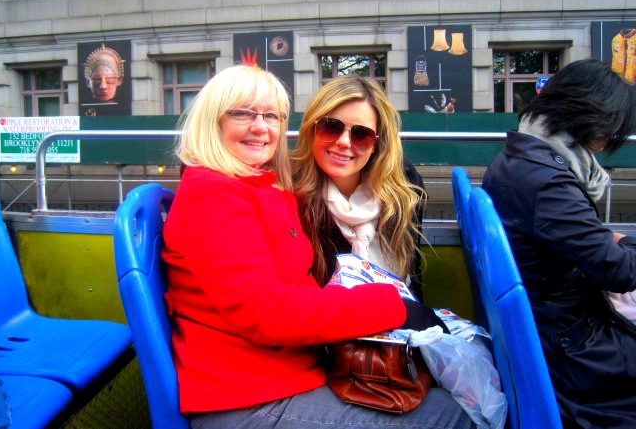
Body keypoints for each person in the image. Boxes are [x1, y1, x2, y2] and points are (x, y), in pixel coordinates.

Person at [162, 65, 474, 429]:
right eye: (243, 113)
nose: (261, 127)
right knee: (455, 416)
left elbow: (295, 293)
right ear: (211, 121)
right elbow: (266, 312)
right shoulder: (214, 195)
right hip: (246, 398)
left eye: (271, 116)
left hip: (287, 375)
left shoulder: (257, 189)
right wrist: (393, 307)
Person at [481, 58, 636, 428]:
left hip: (552, 327)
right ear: (592, 121)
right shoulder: (548, 181)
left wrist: (608, 240)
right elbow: (620, 271)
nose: (605, 144)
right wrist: (625, 242)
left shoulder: (518, 156)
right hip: (571, 346)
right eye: (609, 133)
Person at [291, 75, 427, 301]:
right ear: (312, 130)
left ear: (376, 145)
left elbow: (413, 278)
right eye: (330, 127)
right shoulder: (290, 189)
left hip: (395, 314)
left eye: (361, 134)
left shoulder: (404, 185)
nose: (344, 142)